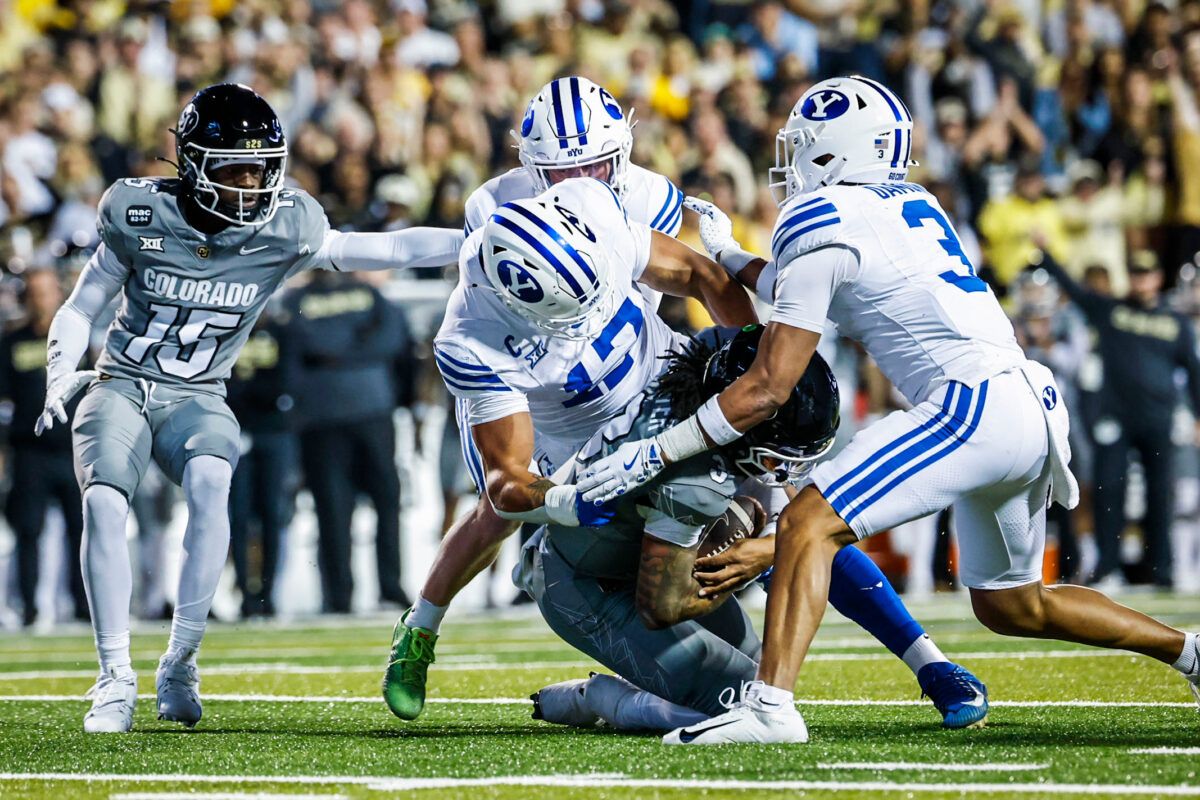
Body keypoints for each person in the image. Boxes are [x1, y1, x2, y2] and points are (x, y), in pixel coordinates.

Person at [575, 76, 1200, 744]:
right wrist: (731, 257)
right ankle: (1189, 651)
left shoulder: (819, 219)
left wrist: (660, 451)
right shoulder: (906, 202)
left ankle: (770, 710)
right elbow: (813, 286)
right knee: (1015, 605)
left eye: (804, 147)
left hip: (970, 405)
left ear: (834, 152)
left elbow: (767, 388)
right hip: (1026, 400)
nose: (793, 163)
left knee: (808, 523)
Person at [35, 82, 464, 734]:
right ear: (194, 164)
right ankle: (113, 674)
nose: (252, 184)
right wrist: (60, 373)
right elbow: (79, 307)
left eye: (262, 169)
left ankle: (181, 658)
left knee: (213, 479)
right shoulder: (138, 213)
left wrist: (481, 238)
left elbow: (386, 249)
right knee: (103, 501)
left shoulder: (283, 225)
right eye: (236, 168)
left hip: (200, 393)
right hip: (122, 381)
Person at [383, 176, 756, 721]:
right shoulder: (472, 336)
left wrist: (754, 369)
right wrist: (567, 501)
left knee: (755, 668)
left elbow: (702, 275)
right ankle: (420, 627)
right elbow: (509, 481)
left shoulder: (593, 208)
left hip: (667, 400)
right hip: (584, 459)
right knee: (499, 513)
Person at [527, 326, 988, 732]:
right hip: (589, 583)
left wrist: (761, 550)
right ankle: (605, 699)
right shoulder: (694, 481)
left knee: (764, 669)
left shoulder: (719, 360)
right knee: (744, 701)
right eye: (780, 455)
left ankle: (933, 665)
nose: (790, 467)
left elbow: (811, 538)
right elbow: (662, 606)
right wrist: (748, 532)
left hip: (644, 546)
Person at [1037, 248, 1200, 589]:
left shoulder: (1175, 322)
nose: (1142, 280)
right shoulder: (1112, 310)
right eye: (1136, 274)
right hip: (1116, 417)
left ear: (1158, 278)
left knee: (1160, 495)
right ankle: (1107, 566)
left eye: (1147, 274)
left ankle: (1162, 569)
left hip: (1158, 419)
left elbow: (1194, 372)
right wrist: (1048, 254)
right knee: (1109, 489)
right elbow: (1076, 290)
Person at [285, 271, 413, 612]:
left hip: (353, 411)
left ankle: (379, 588)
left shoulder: (301, 299)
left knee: (376, 503)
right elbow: (300, 343)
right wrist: (358, 347)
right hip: (330, 415)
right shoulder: (304, 298)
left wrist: (334, 355)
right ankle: (347, 592)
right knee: (337, 508)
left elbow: (393, 339)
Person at [0, 269, 87, 626]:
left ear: (58, 294)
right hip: (29, 451)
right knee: (28, 530)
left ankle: (85, 608)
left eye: (46, 292)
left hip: (72, 449)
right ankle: (31, 609)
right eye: (34, 293)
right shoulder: (10, 342)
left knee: (82, 532)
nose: (40, 300)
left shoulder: (77, 337)